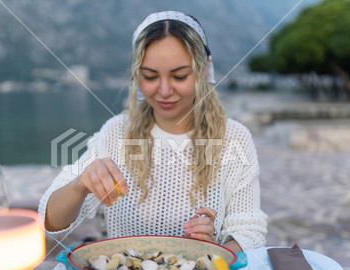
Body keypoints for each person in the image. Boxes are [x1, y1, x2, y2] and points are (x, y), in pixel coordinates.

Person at [38, 11, 267, 252]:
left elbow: (248, 231)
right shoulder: (116, 133)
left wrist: (214, 251)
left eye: (179, 76)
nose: (164, 90)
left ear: (203, 71)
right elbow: (51, 221)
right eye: (150, 77)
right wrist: (80, 185)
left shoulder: (234, 138)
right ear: (138, 76)